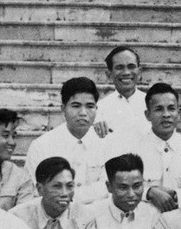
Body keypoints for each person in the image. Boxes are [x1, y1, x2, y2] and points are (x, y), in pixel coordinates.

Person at [23, 77, 114, 205]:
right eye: (76, 106)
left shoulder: (107, 143)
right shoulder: (41, 145)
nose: (83, 113)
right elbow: (40, 191)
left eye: (90, 106)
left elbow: (110, 187)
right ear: (63, 108)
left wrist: (65, 195)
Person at [121, 82, 181, 212]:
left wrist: (175, 196)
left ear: (179, 112)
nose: (166, 115)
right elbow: (122, 187)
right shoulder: (134, 150)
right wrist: (149, 192)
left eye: (171, 108)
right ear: (147, 115)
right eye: (159, 109)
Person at [93, 46, 150, 144]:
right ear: (109, 74)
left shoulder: (151, 103)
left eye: (131, 67)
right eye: (119, 67)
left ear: (139, 71)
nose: (126, 72)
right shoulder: (100, 108)